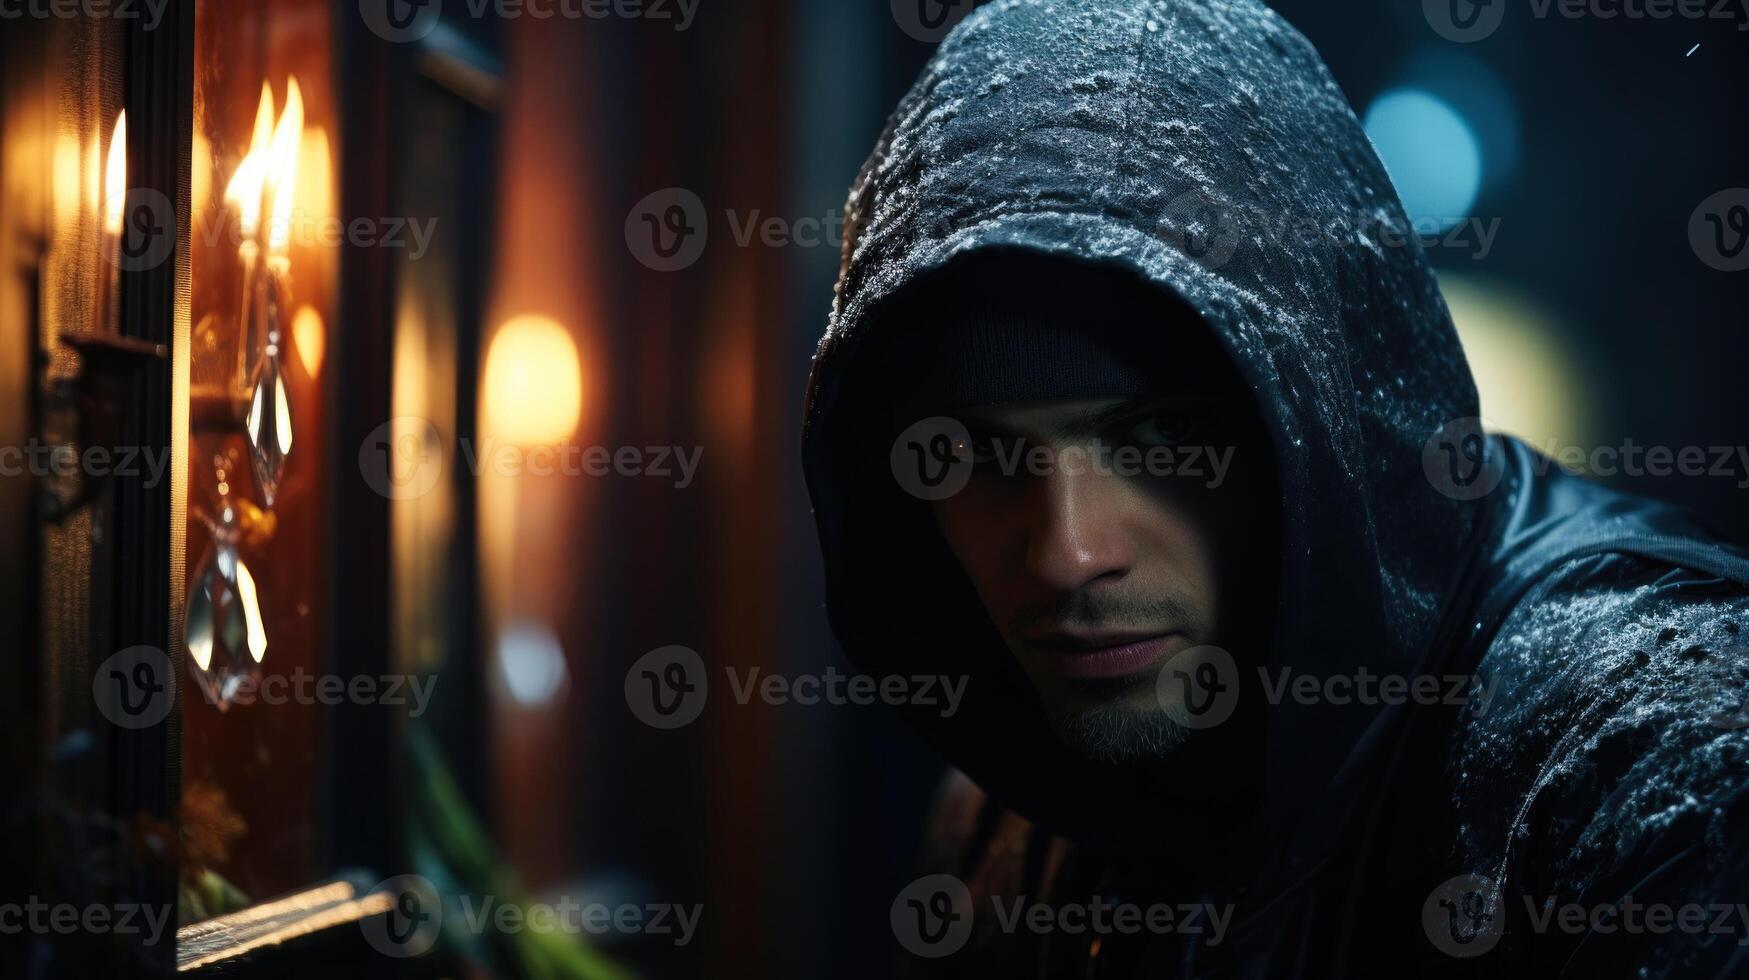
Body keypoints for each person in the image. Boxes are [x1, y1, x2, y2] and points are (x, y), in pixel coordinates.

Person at [799, 1, 1749, 975]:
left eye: (1161, 435)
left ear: (1312, 404)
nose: (1068, 553)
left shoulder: (1649, 757)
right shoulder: (1012, 805)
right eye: (983, 457)